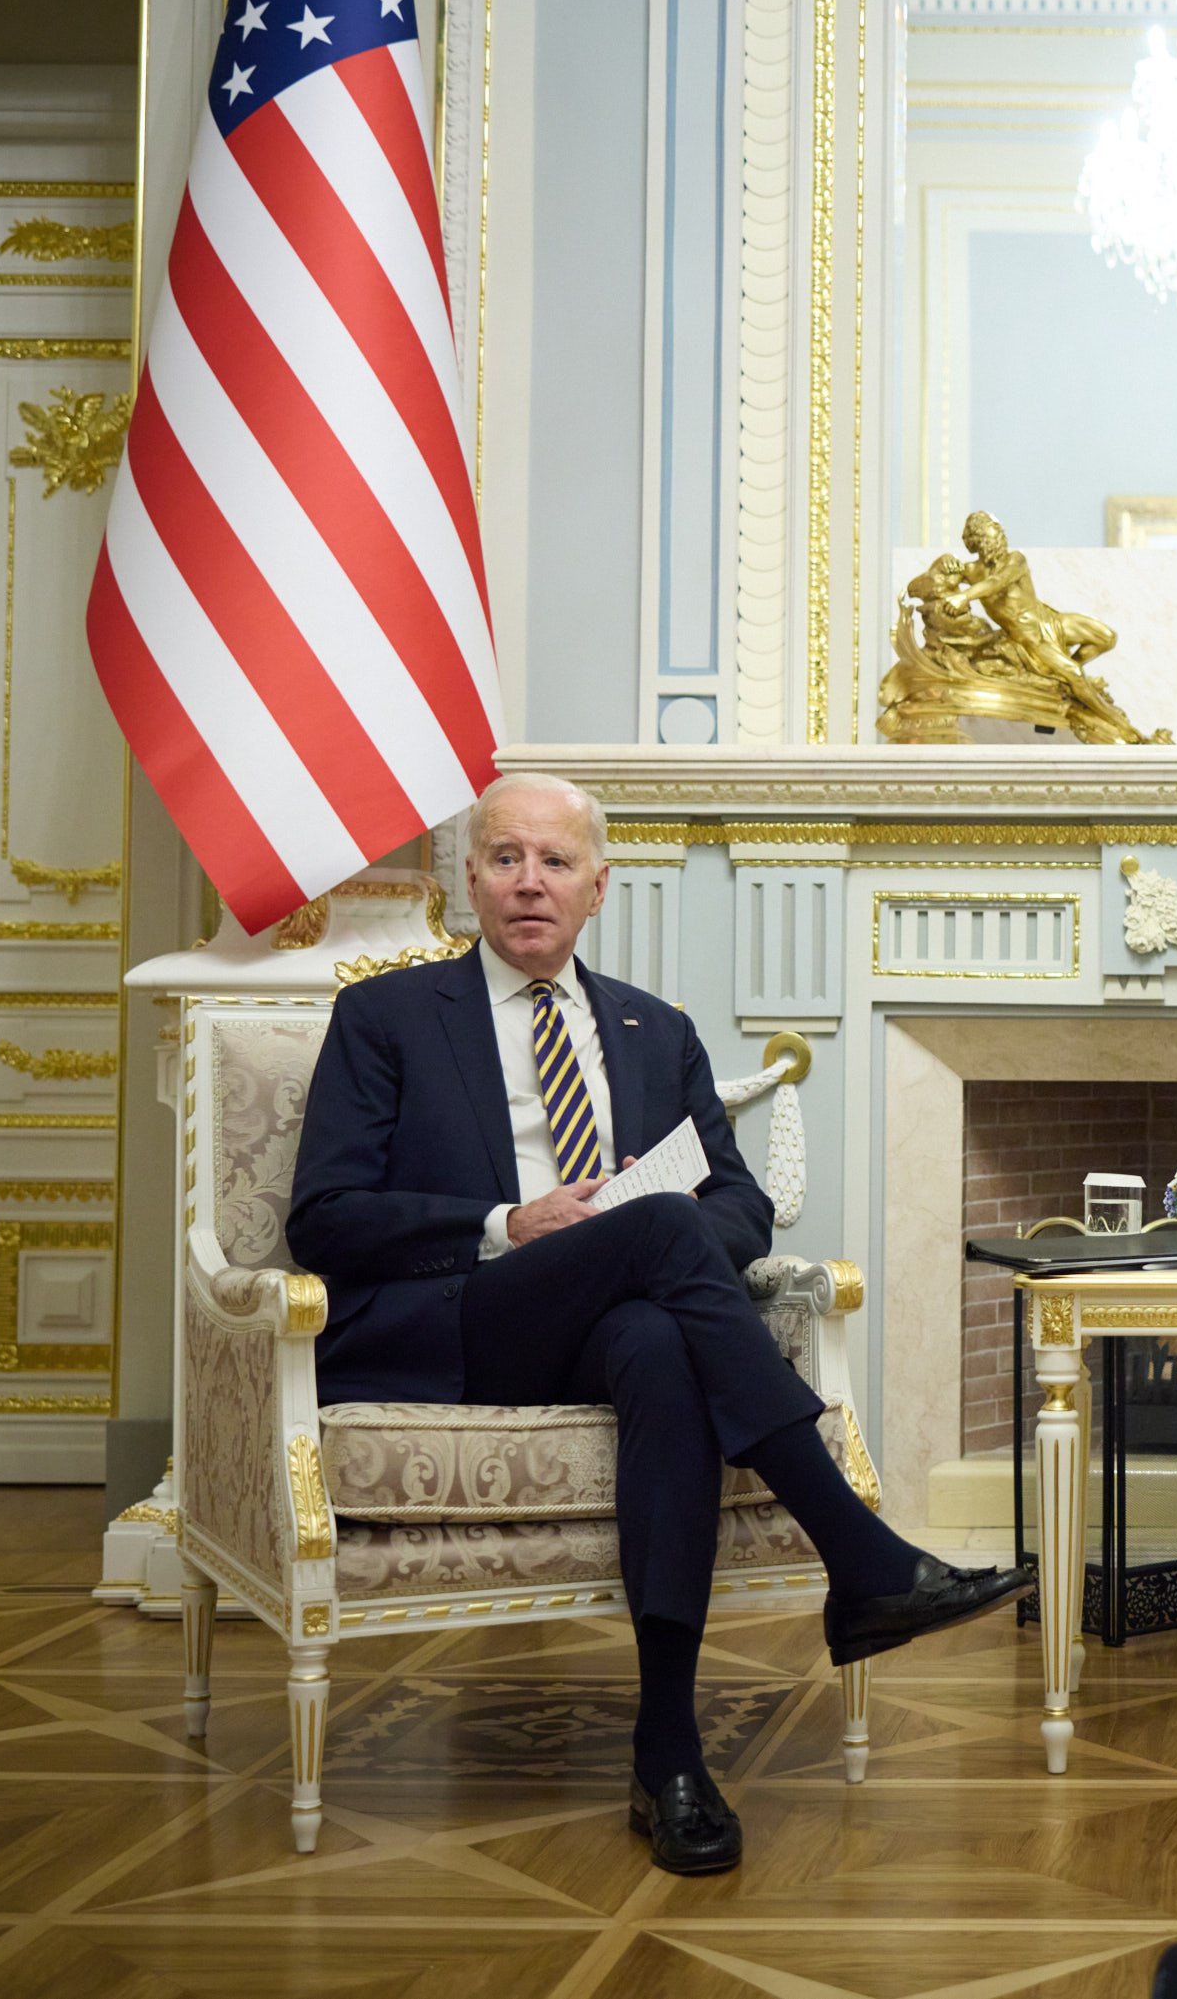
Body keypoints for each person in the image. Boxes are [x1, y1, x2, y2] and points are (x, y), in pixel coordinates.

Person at [287, 771, 1031, 1876]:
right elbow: (324, 1216)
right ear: (470, 881)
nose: (529, 882)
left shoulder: (654, 1029)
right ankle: (860, 1553)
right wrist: (505, 1222)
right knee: (661, 1236)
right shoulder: (387, 1016)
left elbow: (739, 1206)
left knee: (659, 1336)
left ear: (597, 888)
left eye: (555, 862)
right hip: (461, 1318)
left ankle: (669, 1753)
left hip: (608, 1326)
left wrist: (655, 1229)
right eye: (506, 859)